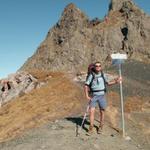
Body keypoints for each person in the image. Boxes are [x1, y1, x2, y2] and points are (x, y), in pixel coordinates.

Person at [84, 61, 121, 135]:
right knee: (91, 112)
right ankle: (91, 128)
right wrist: (87, 96)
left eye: (99, 66)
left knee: (102, 111)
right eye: (96, 66)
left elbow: (107, 83)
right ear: (94, 67)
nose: (98, 67)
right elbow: (86, 85)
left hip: (102, 96)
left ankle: (101, 126)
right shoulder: (91, 75)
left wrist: (116, 81)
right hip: (93, 96)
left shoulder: (103, 75)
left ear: (101, 67)